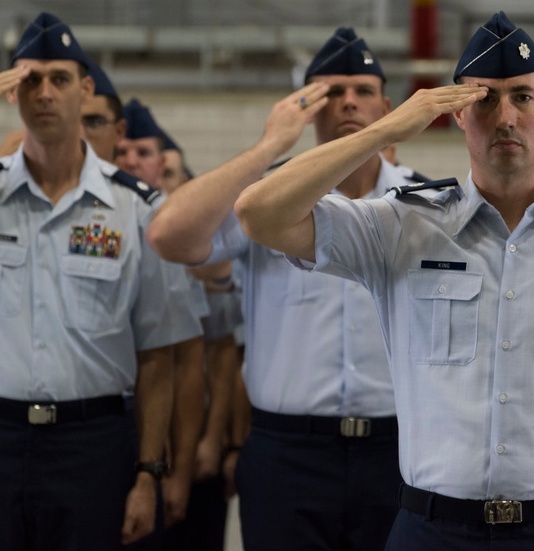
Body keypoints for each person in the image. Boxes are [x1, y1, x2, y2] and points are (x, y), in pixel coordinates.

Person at [233, 11, 534, 551]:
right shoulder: (402, 225)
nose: (505, 116)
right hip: (433, 530)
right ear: (458, 115)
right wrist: (385, 131)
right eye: (483, 100)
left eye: (522, 97)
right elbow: (259, 214)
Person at [147, 27, 418, 551]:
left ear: (388, 107)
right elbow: (168, 235)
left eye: (363, 92)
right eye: (329, 93)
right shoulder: (263, 201)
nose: (348, 103)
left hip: (397, 452)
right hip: (287, 454)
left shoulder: (420, 202)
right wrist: (272, 145)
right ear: (304, 107)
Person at [0, 12, 177, 549]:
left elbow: (158, 353)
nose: (44, 93)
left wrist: (148, 472)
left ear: (85, 89)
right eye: (29, 80)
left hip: (93, 447)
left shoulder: (136, 208)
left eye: (60, 79)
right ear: (10, 93)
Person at [117, 99, 212, 536]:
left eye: (143, 153)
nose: (130, 161)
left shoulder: (181, 240)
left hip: (161, 436)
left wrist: (183, 459)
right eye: (122, 152)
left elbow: (194, 362)